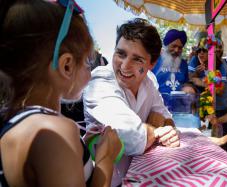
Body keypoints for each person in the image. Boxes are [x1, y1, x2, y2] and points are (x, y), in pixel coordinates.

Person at [0, 0, 121, 186]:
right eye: (88, 63)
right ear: (67, 66)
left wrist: (79, 148)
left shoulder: (14, 122)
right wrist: (106, 158)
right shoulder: (54, 131)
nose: (91, 73)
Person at [83, 18, 180, 186]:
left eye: (137, 59)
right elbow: (130, 134)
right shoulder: (100, 79)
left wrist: (167, 127)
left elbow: (165, 116)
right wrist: (156, 130)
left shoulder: (149, 81)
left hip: (144, 179)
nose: (125, 66)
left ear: (152, 63)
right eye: (121, 54)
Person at [152, 29, 189, 104]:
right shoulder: (154, 60)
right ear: (166, 45)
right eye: (174, 46)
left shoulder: (184, 64)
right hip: (157, 105)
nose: (176, 50)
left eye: (180, 47)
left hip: (179, 106)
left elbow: (186, 83)